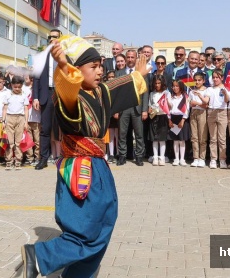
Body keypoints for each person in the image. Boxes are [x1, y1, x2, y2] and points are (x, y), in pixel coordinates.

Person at [21, 35, 148, 278]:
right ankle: (40, 255)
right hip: (81, 170)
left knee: (105, 222)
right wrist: (63, 66)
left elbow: (122, 86)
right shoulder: (70, 98)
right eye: (93, 66)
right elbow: (67, 88)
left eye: (101, 65)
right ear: (77, 70)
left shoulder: (101, 92)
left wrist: (138, 74)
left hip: (99, 167)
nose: (100, 71)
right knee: (85, 231)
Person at [32, 29, 62, 170]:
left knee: (63, 127)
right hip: (46, 95)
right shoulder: (41, 57)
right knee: (45, 129)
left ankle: (65, 157)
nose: (52, 39)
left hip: (62, 94)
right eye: (50, 37)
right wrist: (36, 97)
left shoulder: (65, 55)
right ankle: (43, 158)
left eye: (55, 37)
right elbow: (36, 78)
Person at [116, 49, 149, 166]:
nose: (130, 59)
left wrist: (145, 109)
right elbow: (117, 93)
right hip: (123, 108)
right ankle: (122, 156)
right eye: (128, 57)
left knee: (139, 134)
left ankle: (139, 156)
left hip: (137, 108)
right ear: (125, 59)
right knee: (122, 134)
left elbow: (145, 92)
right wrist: (115, 109)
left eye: (132, 57)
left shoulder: (142, 73)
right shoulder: (119, 73)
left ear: (136, 59)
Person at [200, 69, 229, 169]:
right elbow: (206, 100)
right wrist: (200, 96)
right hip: (211, 112)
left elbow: (227, 100)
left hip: (222, 112)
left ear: (222, 78)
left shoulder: (225, 88)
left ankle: (222, 159)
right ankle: (213, 159)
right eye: (214, 78)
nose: (215, 79)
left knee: (222, 138)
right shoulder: (209, 89)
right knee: (213, 138)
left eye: (217, 77)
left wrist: (225, 93)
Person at [2, 76, 29, 170]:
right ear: (11, 85)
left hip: (20, 118)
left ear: (21, 86)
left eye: (19, 87)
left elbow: (26, 109)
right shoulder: (7, 95)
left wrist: (26, 122)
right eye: (15, 87)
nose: (17, 89)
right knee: (10, 141)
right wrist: (3, 120)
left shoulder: (24, 95)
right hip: (9, 117)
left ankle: (18, 159)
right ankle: (9, 160)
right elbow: (5, 108)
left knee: (18, 141)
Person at [189, 72, 209, 167]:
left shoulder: (206, 91)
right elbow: (189, 103)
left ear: (203, 81)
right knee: (194, 137)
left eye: (199, 80)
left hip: (202, 113)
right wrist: (192, 103)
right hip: (193, 113)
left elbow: (206, 105)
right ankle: (195, 157)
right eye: (195, 80)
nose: (197, 82)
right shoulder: (191, 91)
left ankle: (202, 158)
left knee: (202, 136)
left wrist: (196, 102)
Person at [148, 75, 169, 166]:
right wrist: (149, 109)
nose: (157, 85)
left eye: (159, 83)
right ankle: (155, 157)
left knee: (162, 139)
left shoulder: (166, 93)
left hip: (163, 117)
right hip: (154, 117)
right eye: (155, 83)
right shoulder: (152, 94)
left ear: (162, 83)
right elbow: (150, 104)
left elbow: (169, 104)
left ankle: (162, 157)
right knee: (154, 139)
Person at [168, 79, 190, 166]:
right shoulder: (171, 97)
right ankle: (176, 158)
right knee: (175, 140)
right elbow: (168, 110)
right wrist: (169, 120)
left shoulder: (185, 97)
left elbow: (187, 110)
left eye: (177, 86)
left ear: (181, 87)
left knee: (182, 140)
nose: (175, 88)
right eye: (173, 86)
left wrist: (183, 120)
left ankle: (182, 159)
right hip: (173, 119)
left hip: (182, 119)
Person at [23, 74, 40, 166]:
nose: (28, 79)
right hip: (27, 118)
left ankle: (38, 157)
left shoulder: (38, 90)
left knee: (37, 139)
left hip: (37, 118)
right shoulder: (23, 88)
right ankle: (30, 157)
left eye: (30, 78)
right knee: (29, 139)